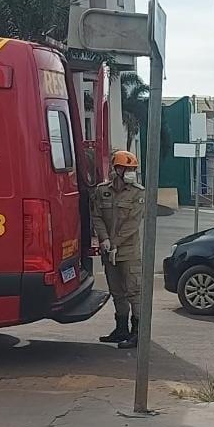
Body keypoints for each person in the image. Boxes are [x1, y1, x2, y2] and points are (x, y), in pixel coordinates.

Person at [91, 150, 146, 349]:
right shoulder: (102, 191)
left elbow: (133, 224)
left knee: (134, 292)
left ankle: (138, 333)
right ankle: (121, 329)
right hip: (109, 251)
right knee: (117, 292)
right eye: (127, 168)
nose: (131, 172)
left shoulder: (138, 192)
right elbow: (96, 216)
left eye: (133, 169)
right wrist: (104, 239)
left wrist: (114, 242)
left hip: (128, 252)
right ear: (117, 169)